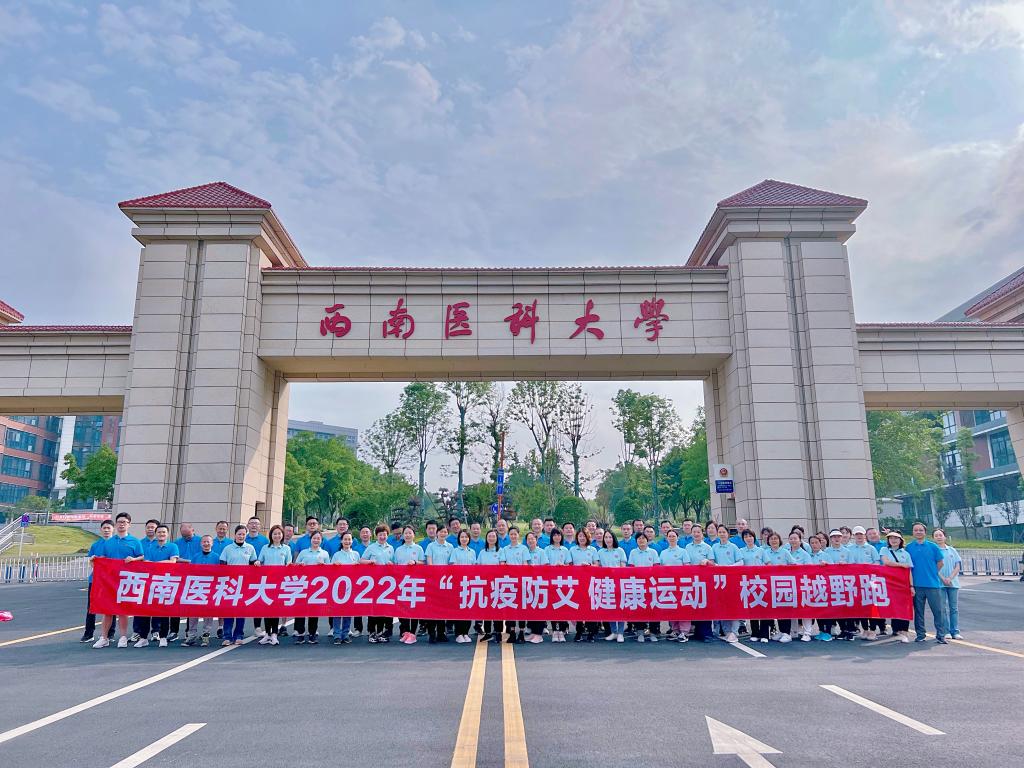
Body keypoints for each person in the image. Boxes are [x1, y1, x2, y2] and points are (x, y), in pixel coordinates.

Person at [93, 512, 145, 649]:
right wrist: (96, 559)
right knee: (107, 610)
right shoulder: (109, 542)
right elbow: (103, 558)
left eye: (124, 522)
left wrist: (133, 559)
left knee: (123, 610)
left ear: (129, 524)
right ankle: (104, 637)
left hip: (126, 580)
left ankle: (122, 637)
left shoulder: (135, 541)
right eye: (119, 522)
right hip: (110, 580)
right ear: (116, 524)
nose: (122, 524)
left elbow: (142, 557)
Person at [906, 522, 948, 644]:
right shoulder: (909, 547)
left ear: (925, 532)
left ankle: (941, 635)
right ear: (913, 532)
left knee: (938, 611)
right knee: (919, 612)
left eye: (921, 530)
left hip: (932, 584)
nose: (918, 532)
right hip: (916, 585)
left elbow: (940, 563)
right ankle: (920, 634)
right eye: (916, 530)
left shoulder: (933, 547)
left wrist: (932, 572)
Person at [219, 525, 258, 646]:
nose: (241, 536)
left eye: (243, 534)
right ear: (235, 535)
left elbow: (253, 564)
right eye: (239, 534)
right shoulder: (228, 549)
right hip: (230, 584)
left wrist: (256, 563)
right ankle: (227, 636)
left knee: (241, 610)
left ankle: (239, 635)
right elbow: (222, 565)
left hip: (244, 583)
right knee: (229, 610)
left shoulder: (250, 548)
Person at [256, 524, 292, 646]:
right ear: (271, 535)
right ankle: (267, 633)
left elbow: (289, 563)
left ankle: (275, 634)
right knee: (267, 608)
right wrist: (257, 562)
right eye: (274, 533)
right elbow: (260, 560)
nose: (277, 536)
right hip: (267, 582)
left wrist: (289, 566)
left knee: (275, 608)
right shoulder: (265, 548)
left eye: (279, 533)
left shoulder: (286, 549)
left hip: (280, 582)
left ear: (282, 535)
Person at [82, 519, 115, 644]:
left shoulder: (116, 544)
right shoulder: (96, 545)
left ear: (113, 530)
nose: (106, 530)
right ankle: (88, 633)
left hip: (112, 580)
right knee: (91, 607)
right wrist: (94, 561)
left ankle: (110, 633)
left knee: (111, 607)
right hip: (96, 579)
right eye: (104, 528)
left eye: (108, 528)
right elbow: (92, 562)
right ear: (101, 530)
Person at [183, 535, 219, 647]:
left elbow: (219, 573)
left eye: (208, 542)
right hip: (196, 587)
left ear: (212, 543)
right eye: (204, 542)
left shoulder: (216, 557)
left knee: (208, 613)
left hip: (210, 588)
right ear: (200, 543)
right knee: (193, 613)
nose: (206, 544)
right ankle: (191, 636)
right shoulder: (196, 557)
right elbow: (190, 571)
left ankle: (205, 636)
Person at [361, 525, 395, 643]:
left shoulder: (391, 548)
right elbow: (361, 560)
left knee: (385, 607)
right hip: (374, 582)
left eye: (384, 534)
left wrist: (391, 564)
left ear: (387, 535)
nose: (382, 536)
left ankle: (381, 631)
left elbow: (394, 563)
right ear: (376, 536)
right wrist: (370, 561)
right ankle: (372, 631)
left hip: (387, 583)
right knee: (374, 608)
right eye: (380, 534)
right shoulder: (371, 547)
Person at [847, 526, 881, 640]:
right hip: (857, 582)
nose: (859, 536)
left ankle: (873, 630)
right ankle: (865, 629)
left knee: (872, 606)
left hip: (870, 581)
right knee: (861, 606)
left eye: (861, 534)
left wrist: (869, 569)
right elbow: (849, 565)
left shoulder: (871, 548)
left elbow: (877, 562)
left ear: (864, 535)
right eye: (857, 534)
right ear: (854, 536)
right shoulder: (850, 549)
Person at [879, 530, 914, 643]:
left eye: (896, 538)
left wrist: (911, 586)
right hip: (890, 583)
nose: (893, 540)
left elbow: (909, 571)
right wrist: (901, 565)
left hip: (903, 584)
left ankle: (904, 631)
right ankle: (896, 630)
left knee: (904, 607)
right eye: (891, 538)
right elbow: (886, 562)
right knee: (894, 606)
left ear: (900, 540)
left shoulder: (906, 553)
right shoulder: (884, 550)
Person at [760, 532, 795, 643]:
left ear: (779, 540)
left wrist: (783, 568)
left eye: (776, 538)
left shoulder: (785, 552)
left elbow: (794, 565)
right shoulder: (765, 552)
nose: (773, 541)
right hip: (768, 585)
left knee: (783, 608)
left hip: (783, 584)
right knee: (772, 608)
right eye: (771, 539)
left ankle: (786, 633)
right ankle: (780, 631)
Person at [684, 524, 716, 642]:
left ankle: (707, 633)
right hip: (692, 580)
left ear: (702, 534)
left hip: (705, 581)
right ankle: (697, 632)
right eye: (694, 532)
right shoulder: (687, 547)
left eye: (698, 532)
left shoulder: (707, 547)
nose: (696, 534)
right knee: (694, 605)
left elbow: (713, 563)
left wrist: (707, 561)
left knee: (705, 606)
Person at [658, 529, 691, 642]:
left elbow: (687, 566)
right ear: (667, 538)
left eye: (673, 536)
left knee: (683, 607)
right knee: (672, 607)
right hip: (668, 584)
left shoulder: (683, 551)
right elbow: (660, 568)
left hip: (682, 584)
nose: (671, 538)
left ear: (678, 538)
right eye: (670, 536)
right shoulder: (663, 553)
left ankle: (684, 632)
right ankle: (675, 629)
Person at [395, 525, 426, 644]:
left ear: (414, 535)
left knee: (413, 608)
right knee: (402, 608)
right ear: (403, 535)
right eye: (405, 533)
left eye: (410, 533)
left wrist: (415, 562)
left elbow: (423, 563)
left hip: (414, 582)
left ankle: (413, 633)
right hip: (402, 582)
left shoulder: (418, 548)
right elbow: (396, 564)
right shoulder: (398, 549)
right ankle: (406, 632)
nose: (407, 535)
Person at [500, 527, 531, 643]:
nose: (513, 536)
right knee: (510, 607)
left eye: (515, 534)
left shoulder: (523, 548)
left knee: (522, 608)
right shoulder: (505, 549)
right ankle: (512, 632)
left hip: (521, 581)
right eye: (511, 534)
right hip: (508, 582)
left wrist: (516, 570)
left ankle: (521, 632)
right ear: (509, 536)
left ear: (518, 535)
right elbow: (502, 564)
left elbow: (525, 565)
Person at [329, 531, 360, 645]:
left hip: (351, 586)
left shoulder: (356, 554)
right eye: (345, 539)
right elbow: (330, 570)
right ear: (341, 541)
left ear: (352, 541)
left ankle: (345, 634)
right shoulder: (337, 555)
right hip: (338, 586)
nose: (347, 541)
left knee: (348, 611)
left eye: (349, 539)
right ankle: (337, 634)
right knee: (337, 611)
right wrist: (335, 566)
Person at [627, 532, 659, 642]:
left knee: (653, 608)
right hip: (638, 584)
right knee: (639, 608)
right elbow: (631, 567)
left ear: (647, 540)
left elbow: (656, 567)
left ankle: (653, 632)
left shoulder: (653, 552)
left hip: (651, 584)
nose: (641, 540)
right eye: (639, 538)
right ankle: (640, 631)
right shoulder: (633, 552)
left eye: (643, 538)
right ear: (636, 541)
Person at [597, 530, 628, 643]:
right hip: (606, 583)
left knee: (620, 608)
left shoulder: (620, 551)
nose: (608, 539)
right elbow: (598, 567)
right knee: (610, 608)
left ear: (613, 538)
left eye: (610, 537)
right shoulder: (600, 552)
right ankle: (614, 632)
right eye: (606, 537)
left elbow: (623, 567)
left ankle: (620, 633)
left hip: (618, 583)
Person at [933, 528, 963, 640]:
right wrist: (943, 579)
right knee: (942, 608)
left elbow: (957, 566)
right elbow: (933, 567)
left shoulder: (952, 550)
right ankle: (946, 631)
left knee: (954, 608)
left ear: (945, 537)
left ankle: (955, 631)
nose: (939, 537)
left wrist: (950, 578)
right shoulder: (934, 550)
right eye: (936, 535)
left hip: (953, 583)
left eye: (940, 535)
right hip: (939, 583)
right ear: (933, 538)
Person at [785, 531, 814, 642]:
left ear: (800, 540)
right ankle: (793, 631)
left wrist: (796, 565)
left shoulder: (804, 554)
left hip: (802, 584)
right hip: (789, 585)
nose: (793, 541)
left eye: (795, 538)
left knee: (805, 609)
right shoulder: (786, 552)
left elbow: (810, 569)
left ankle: (807, 632)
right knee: (791, 608)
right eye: (791, 538)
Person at [543, 529, 571, 642]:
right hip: (551, 581)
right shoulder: (547, 549)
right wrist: (554, 566)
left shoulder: (565, 550)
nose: (557, 537)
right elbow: (545, 565)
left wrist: (563, 566)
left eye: (559, 535)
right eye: (554, 535)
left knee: (563, 605)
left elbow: (569, 566)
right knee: (553, 606)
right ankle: (555, 630)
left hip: (563, 581)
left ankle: (562, 630)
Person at [450, 530, 477, 643]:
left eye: (466, 537)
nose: (464, 539)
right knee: (459, 609)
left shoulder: (472, 552)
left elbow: (474, 567)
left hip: (469, 583)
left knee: (468, 609)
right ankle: (458, 633)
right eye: (462, 537)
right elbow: (453, 565)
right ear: (459, 539)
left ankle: (466, 632)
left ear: (469, 539)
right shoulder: (455, 551)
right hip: (458, 583)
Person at [570, 531, 597, 642]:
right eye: (580, 536)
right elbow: (569, 565)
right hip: (577, 582)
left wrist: (589, 565)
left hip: (590, 582)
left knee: (591, 607)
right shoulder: (572, 550)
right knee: (579, 607)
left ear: (588, 537)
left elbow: (597, 565)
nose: (582, 538)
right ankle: (579, 631)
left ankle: (591, 632)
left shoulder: (593, 550)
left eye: (584, 536)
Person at [478, 529, 502, 643]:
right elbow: (478, 567)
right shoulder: (482, 552)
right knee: (487, 608)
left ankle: (498, 632)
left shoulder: (501, 551)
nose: (491, 538)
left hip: (498, 584)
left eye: (493, 536)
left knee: (498, 609)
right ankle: (487, 632)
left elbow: (503, 566)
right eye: (489, 536)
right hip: (485, 583)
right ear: (486, 538)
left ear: (496, 539)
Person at [523, 532, 547, 643]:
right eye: (528, 539)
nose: (531, 541)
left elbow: (545, 567)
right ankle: (533, 632)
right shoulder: (525, 552)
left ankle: (539, 634)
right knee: (531, 608)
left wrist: (535, 568)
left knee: (539, 609)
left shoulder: (541, 552)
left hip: (539, 583)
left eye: (533, 539)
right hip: (528, 584)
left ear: (536, 540)